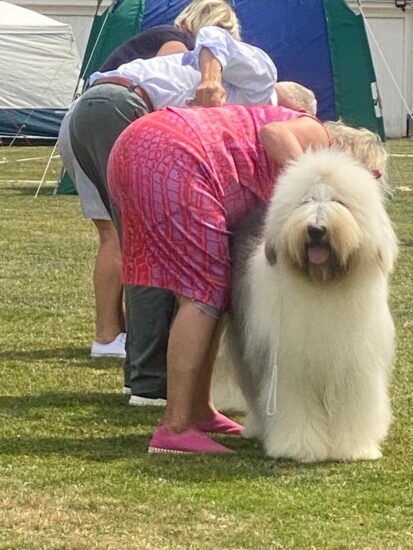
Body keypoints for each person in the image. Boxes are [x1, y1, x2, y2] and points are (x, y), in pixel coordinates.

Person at [107, 103, 388, 454]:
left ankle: (200, 410)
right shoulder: (315, 136)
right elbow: (273, 134)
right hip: (172, 154)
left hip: (140, 147)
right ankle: (175, 428)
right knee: (202, 293)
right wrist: (309, 184)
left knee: (211, 289)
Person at [68, 23, 278, 402]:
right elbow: (213, 33)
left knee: (139, 243)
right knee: (150, 248)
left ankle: (145, 377)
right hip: (121, 108)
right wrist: (210, 80)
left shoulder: (246, 114)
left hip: (91, 111)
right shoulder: (263, 79)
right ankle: (150, 383)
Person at [58, 0, 237, 358]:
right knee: (136, 234)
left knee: (112, 234)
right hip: (114, 116)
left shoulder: (155, 36)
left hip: (80, 120)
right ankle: (130, 342)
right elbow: (166, 104)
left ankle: (109, 335)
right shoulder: (178, 46)